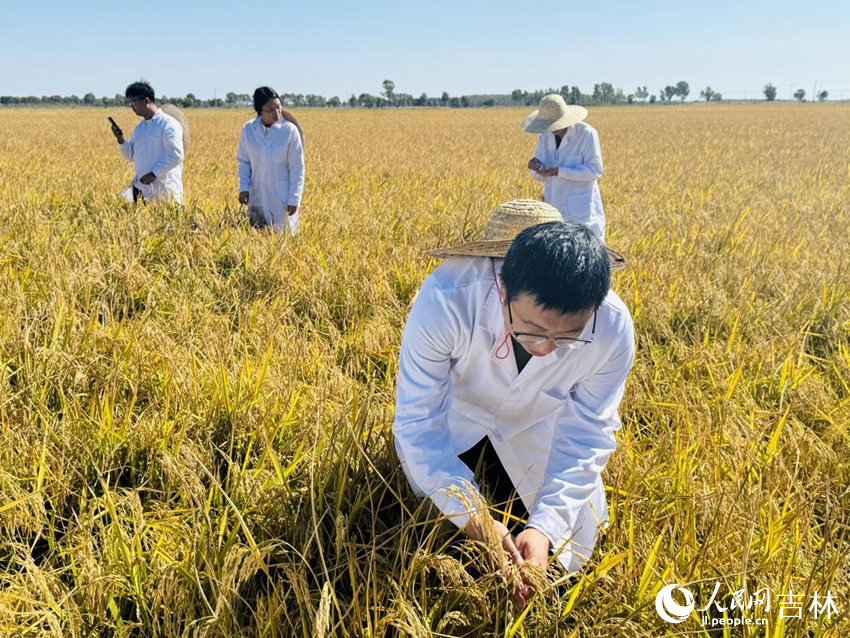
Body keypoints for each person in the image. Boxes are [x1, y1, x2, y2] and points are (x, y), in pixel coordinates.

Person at [392, 199, 634, 604]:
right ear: (503, 288)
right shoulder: (445, 300)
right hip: (457, 420)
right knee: (429, 526)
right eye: (532, 330)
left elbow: (589, 434)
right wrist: (481, 524)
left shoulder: (612, 328)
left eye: (568, 336)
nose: (546, 348)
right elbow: (418, 424)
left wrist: (544, 529)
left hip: (537, 428)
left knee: (575, 539)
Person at [524, 94, 606, 240]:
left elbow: (595, 170)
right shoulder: (544, 136)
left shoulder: (586, 134)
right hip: (552, 206)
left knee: (583, 251)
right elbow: (539, 173)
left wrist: (560, 172)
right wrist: (535, 167)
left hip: (581, 211)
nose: (551, 129)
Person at [236, 86, 305, 233]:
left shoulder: (289, 131)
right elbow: (244, 161)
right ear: (260, 111)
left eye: (279, 107)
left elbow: (297, 168)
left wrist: (294, 199)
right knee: (257, 239)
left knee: (283, 242)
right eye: (271, 110)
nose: (277, 113)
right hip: (257, 197)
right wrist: (243, 187)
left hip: (282, 201)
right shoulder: (248, 130)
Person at [111, 81, 184, 203]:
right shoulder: (140, 128)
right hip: (142, 190)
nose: (131, 106)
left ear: (146, 101)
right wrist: (121, 139)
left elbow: (175, 155)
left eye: (133, 101)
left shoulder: (168, 124)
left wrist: (153, 174)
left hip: (165, 190)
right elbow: (131, 156)